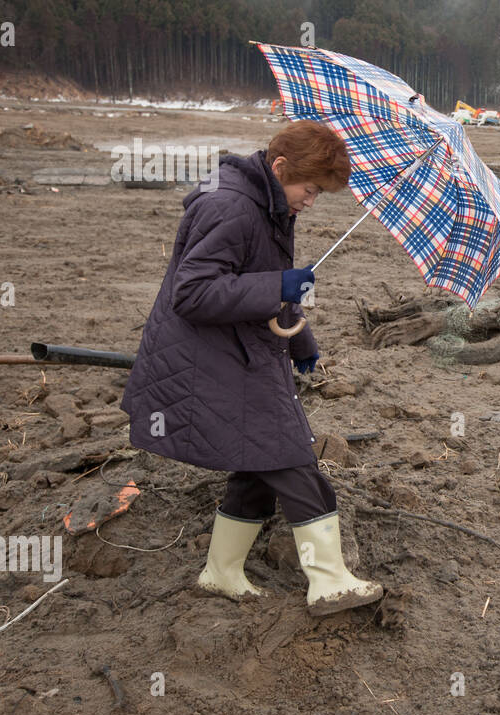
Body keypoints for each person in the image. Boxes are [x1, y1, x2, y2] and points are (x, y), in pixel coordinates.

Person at [121, 120, 383, 616]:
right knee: (288, 456)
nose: (311, 201)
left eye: (319, 194)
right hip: (210, 358)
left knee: (257, 456)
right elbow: (192, 294)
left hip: (243, 350)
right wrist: (280, 286)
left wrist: (300, 336)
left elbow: (260, 280)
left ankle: (221, 573)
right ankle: (329, 581)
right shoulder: (230, 207)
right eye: (310, 190)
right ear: (280, 167)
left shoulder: (269, 203)